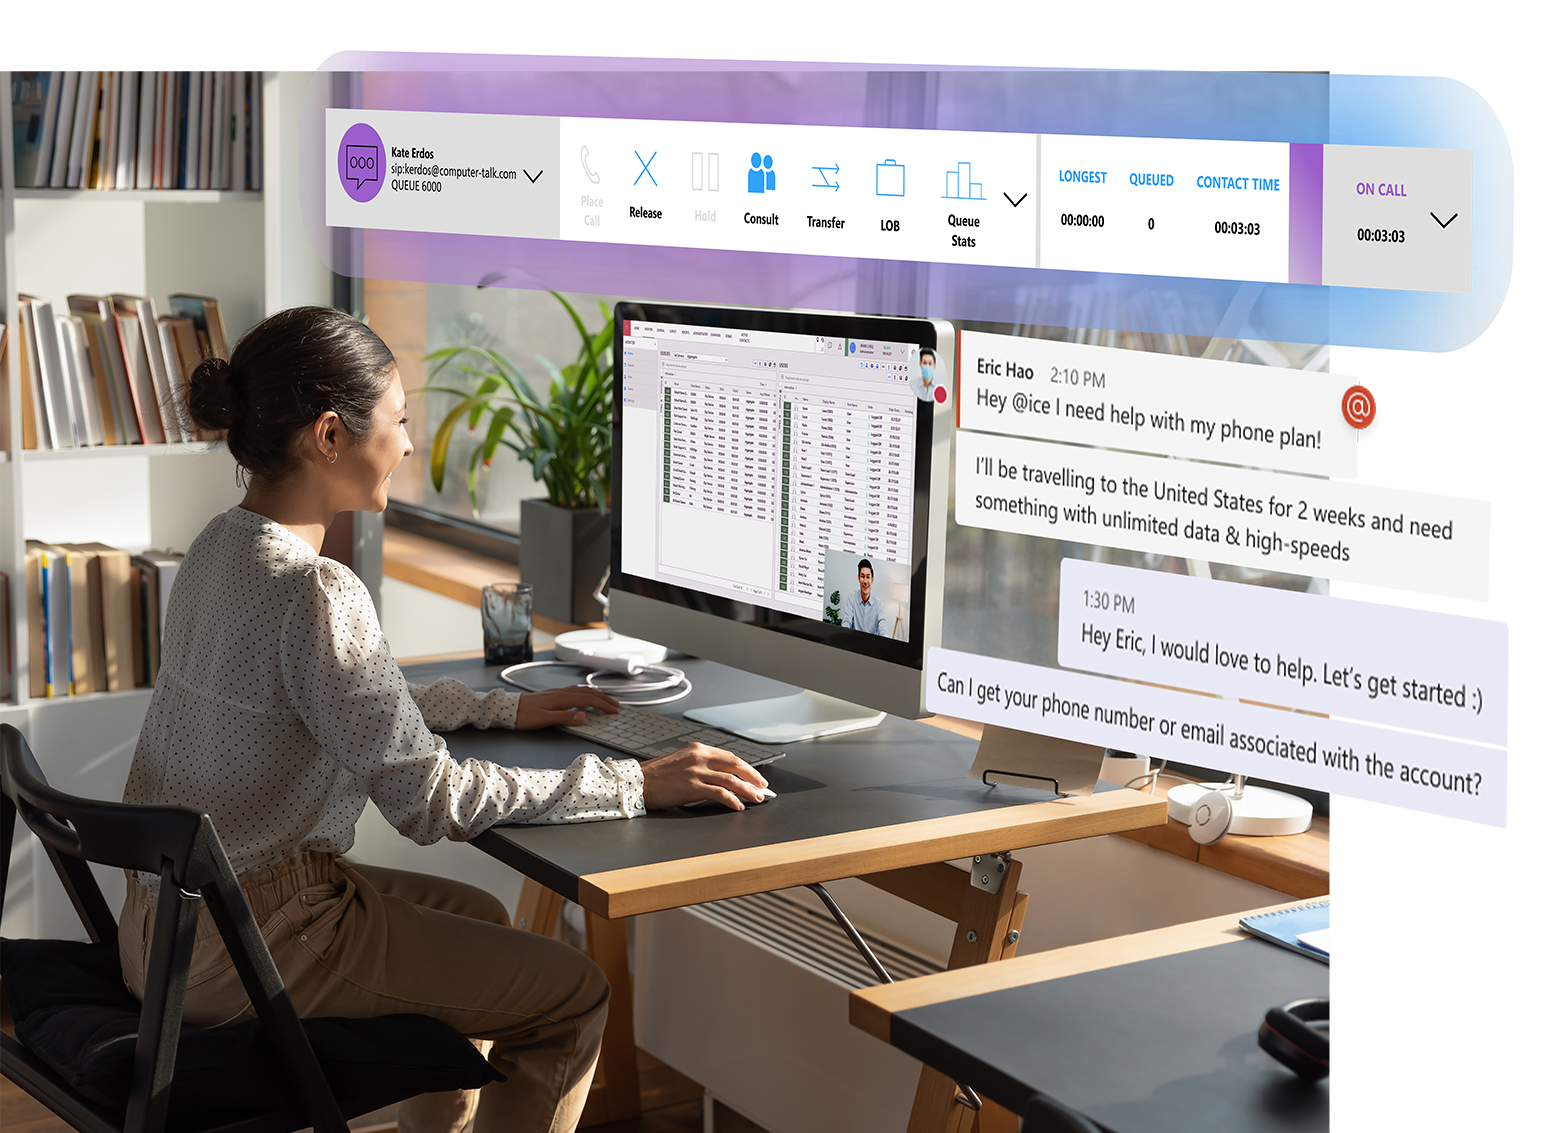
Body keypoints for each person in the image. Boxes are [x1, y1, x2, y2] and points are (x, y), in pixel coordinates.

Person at [117, 306, 769, 1133]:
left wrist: (501, 707)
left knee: (482, 919)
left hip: (167, 928)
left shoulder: (219, 547)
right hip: (255, 938)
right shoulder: (317, 591)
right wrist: (633, 781)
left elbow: (327, 704)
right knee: (572, 994)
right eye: (398, 422)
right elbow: (431, 801)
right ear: (329, 435)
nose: (410, 444)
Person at [842, 557, 890, 636]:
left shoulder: (879, 604)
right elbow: (846, 621)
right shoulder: (851, 598)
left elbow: (883, 628)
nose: (865, 581)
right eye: (862, 576)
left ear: (872, 579)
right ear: (858, 578)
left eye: (868, 577)